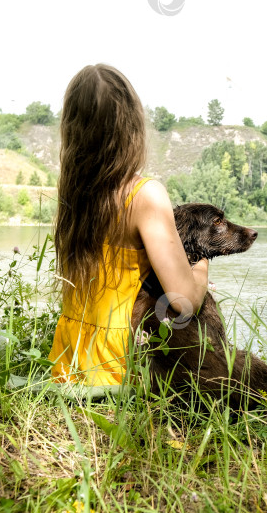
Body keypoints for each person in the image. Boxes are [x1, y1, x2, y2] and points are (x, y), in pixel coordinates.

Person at [48, 64, 208, 389]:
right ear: (131, 126)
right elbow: (185, 301)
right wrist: (201, 263)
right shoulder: (144, 196)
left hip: (68, 364)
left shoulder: (74, 199)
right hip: (122, 367)